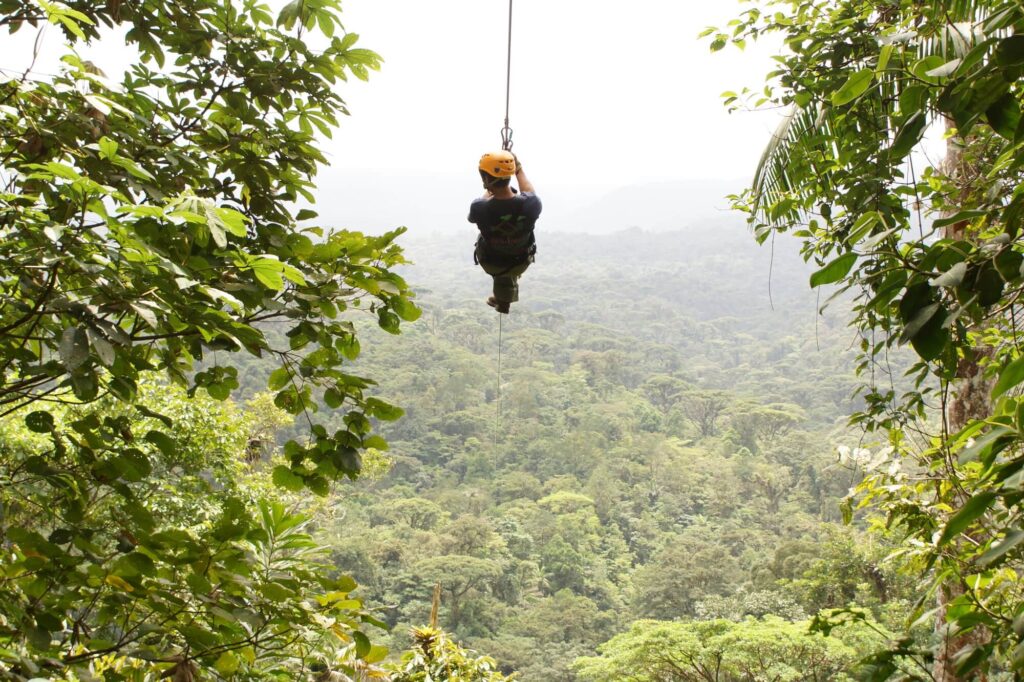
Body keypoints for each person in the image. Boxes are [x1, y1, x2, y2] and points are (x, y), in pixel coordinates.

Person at [468, 150, 542, 314]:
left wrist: (490, 186)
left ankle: (503, 300)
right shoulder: (531, 204)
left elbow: (482, 204)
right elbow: (529, 193)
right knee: (513, 246)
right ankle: (503, 300)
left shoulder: (479, 207)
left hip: (490, 262)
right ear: (510, 176)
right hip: (521, 261)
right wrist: (518, 168)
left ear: (486, 179)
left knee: (495, 244)